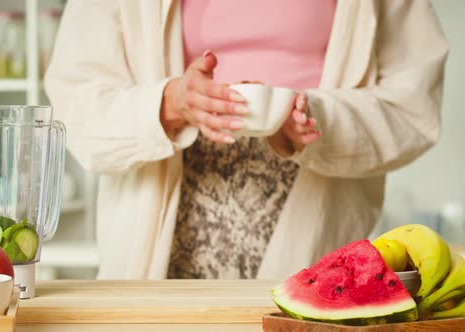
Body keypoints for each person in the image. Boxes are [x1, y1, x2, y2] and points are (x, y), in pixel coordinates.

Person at [45, 0, 449, 279]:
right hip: (155, 246)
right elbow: (76, 104)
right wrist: (169, 104)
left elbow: (414, 112)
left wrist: (315, 118)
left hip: (316, 225)